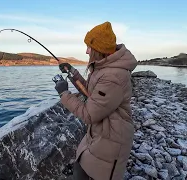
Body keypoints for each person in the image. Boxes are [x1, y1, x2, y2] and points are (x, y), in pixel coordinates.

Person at [54, 21, 138, 180]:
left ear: (99, 49)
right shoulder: (105, 69)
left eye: (89, 47)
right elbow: (93, 94)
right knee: (80, 168)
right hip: (101, 133)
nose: (86, 51)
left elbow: (89, 114)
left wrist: (64, 93)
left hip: (111, 140)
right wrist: (72, 73)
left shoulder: (113, 76)